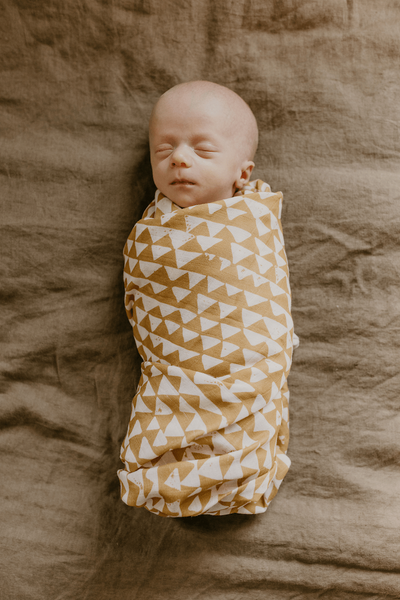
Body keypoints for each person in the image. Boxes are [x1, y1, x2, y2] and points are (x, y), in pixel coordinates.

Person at [118, 81, 297, 517]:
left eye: (202, 149)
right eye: (164, 150)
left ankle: (244, 468)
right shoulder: (155, 232)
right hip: (178, 373)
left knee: (249, 410)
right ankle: (170, 474)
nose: (179, 158)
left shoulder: (251, 223)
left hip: (241, 369)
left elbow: (263, 299)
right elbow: (145, 288)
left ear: (242, 173)